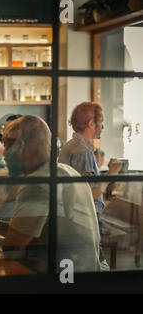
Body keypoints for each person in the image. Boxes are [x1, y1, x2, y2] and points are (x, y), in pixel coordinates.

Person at [1, 115, 102, 273]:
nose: (4, 154)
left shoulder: (38, 183)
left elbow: (11, 249)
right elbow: (29, 231)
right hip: (85, 277)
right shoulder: (67, 171)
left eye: (6, 146)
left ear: (20, 146)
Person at [58, 102, 122, 269]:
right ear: (91, 123)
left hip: (72, 217)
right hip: (85, 219)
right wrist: (112, 173)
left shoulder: (71, 146)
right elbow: (89, 193)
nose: (102, 126)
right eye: (101, 122)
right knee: (95, 267)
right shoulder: (83, 151)